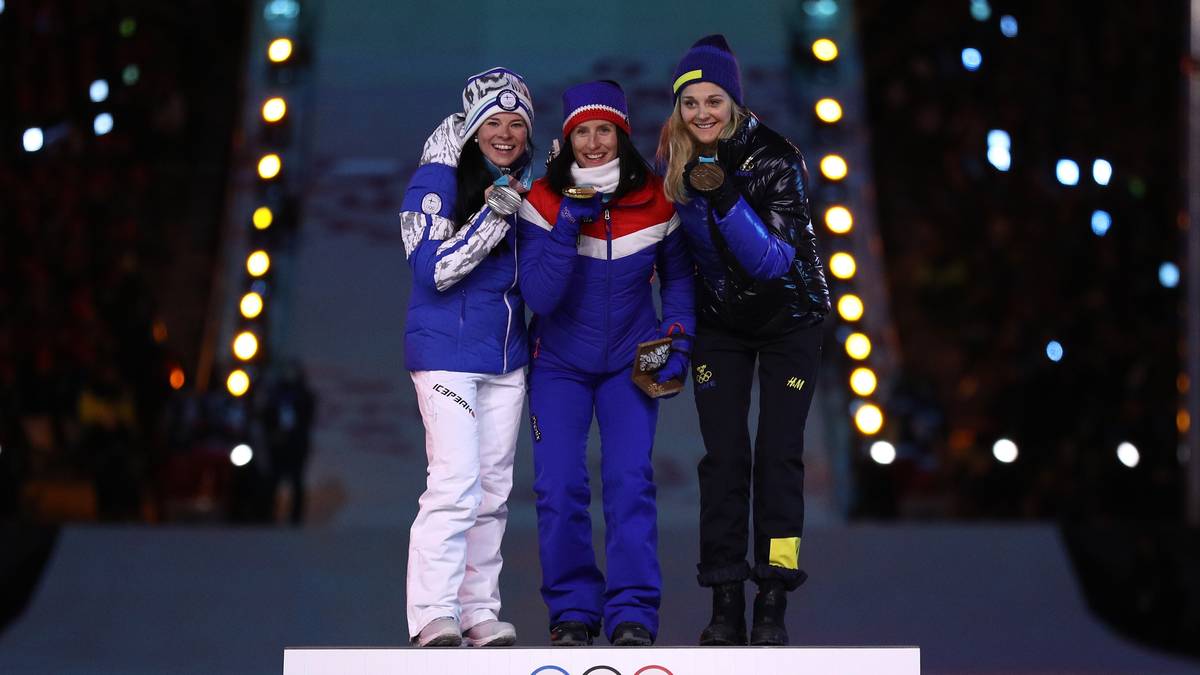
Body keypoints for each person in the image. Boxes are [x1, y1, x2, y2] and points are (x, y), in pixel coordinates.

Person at [656, 35, 831, 646]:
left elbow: (771, 264)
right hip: (721, 328)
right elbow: (676, 264)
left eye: (714, 100)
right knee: (724, 458)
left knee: (779, 456)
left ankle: (774, 596)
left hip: (790, 322)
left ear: (735, 101)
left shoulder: (776, 158)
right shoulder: (672, 163)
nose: (703, 114)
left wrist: (723, 192)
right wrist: (676, 338)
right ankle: (726, 596)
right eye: (690, 103)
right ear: (678, 109)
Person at [516, 80, 695, 647]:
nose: (593, 144)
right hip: (559, 366)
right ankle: (572, 612)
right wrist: (569, 219)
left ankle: (632, 615)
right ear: (567, 140)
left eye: (604, 131)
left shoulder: (658, 197)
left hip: (630, 365)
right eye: (582, 133)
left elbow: (681, 279)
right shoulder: (541, 200)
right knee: (559, 487)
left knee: (629, 483)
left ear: (621, 134)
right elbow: (539, 299)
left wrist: (677, 338)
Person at [399, 67, 535, 648]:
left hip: (506, 356)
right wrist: (495, 215)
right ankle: (432, 612)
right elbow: (432, 269)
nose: (505, 134)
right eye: (493, 123)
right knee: (455, 483)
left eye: (516, 124)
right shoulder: (439, 176)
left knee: (494, 491)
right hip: (448, 354)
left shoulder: (528, 181)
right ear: (473, 128)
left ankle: (478, 610)